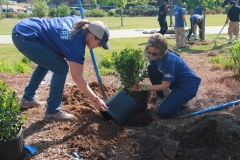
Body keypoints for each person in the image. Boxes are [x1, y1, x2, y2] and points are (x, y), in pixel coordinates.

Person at [12, 15, 109, 122]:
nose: (99, 46)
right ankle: (52, 112)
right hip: (26, 37)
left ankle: (27, 99)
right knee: (61, 68)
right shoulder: (76, 43)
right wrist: (96, 100)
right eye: (99, 43)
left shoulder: (79, 23)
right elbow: (77, 77)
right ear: (91, 37)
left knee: (48, 62)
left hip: (24, 28)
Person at [129, 33, 201, 119]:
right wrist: (136, 76)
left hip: (187, 87)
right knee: (151, 67)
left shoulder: (169, 61)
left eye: (154, 54)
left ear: (161, 50)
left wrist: (143, 87)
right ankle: (162, 98)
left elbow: (164, 86)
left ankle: (181, 101)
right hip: (175, 81)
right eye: (149, 52)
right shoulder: (157, 57)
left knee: (163, 112)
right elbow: (151, 72)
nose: (151, 56)